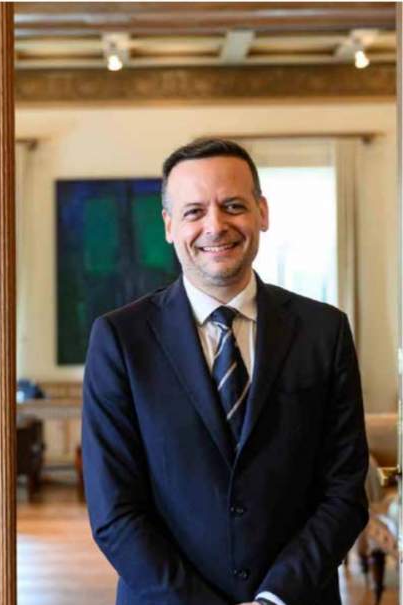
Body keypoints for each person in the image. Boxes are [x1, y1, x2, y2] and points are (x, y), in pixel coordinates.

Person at [81, 138, 369, 605]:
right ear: (169, 226)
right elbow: (114, 510)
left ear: (262, 212)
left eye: (233, 205)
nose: (215, 225)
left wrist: (274, 598)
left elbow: (344, 491)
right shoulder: (119, 339)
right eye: (194, 211)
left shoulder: (325, 331)